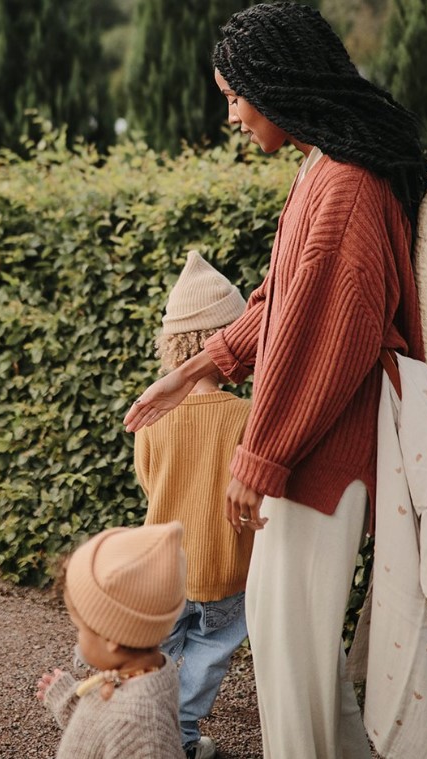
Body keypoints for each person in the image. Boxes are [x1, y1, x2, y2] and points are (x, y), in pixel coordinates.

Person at [123, 3, 427, 756]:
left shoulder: (346, 185)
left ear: (275, 83)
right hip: (318, 453)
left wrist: (260, 457)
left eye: (235, 96)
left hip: (325, 457)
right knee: (301, 661)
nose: (231, 115)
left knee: (292, 662)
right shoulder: (324, 169)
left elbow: (326, 343)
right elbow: (280, 301)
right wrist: (193, 370)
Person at [133, 250, 253, 759]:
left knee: (152, 656)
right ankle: (181, 738)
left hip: (162, 567)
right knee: (210, 654)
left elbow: (149, 481)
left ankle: (140, 734)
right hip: (225, 566)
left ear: (171, 344)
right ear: (232, 339)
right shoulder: (247, 415)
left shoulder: (153, 412)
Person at [36, 523, 186, 759]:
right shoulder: (146, 672)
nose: (78, 638)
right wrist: (69, 700)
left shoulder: (145, 734)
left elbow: (122, 728)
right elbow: (107, 729)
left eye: (81, 628)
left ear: (112, 638)